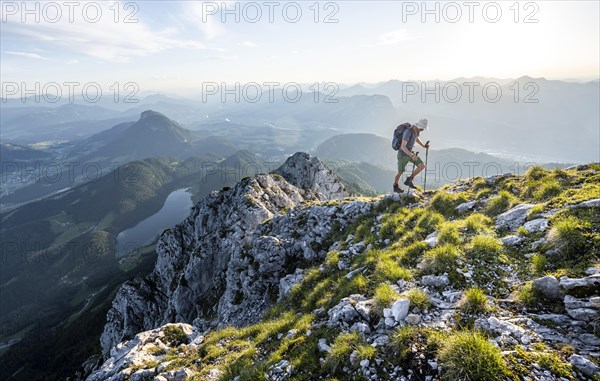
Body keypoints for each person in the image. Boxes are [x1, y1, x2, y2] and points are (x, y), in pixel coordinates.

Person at [393, 119, 429, 192]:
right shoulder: (408, 132)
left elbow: (416, 139)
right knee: (400, 172)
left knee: (422, 165)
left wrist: (423, 146)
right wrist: (412, 156)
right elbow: (403, 146)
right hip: (402, 155)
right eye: (421, 129)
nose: (422, 130)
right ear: (417, 126)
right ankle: (395, 186)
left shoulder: (416, 131)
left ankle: (409, 180)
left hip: (410, 153)